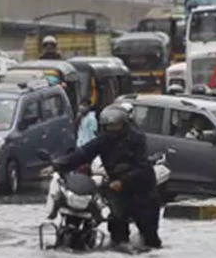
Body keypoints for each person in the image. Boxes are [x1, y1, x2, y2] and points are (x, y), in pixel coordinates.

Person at [54, 104, 162, 250]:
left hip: (143, 190)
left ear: (124, 125)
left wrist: (123, 181)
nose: (112, 130)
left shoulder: (137, 139)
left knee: (150, 236)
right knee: (117, 225)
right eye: (108, 126)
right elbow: (83, 153)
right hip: (118, 190)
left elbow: (142, 167)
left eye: (116, 126)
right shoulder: (104, 140)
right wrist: (58, 165)